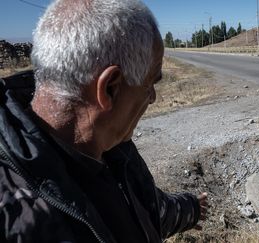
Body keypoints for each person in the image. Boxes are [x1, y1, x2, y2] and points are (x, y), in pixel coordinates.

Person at [0, 0, 208, 242]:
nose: (152, 97)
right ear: (110, 88)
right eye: (151, 82)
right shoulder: (15, 219)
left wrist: (191, 208)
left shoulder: (112, 148)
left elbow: (146, 210)